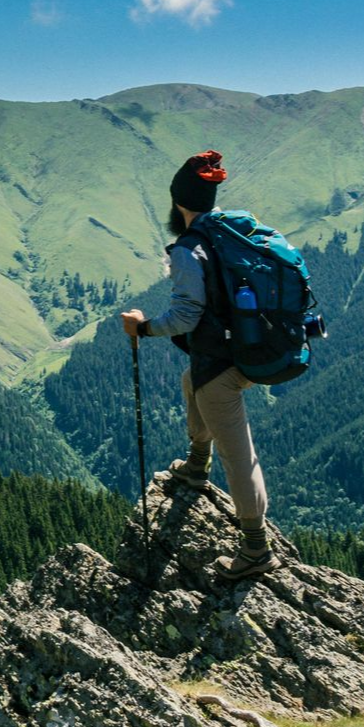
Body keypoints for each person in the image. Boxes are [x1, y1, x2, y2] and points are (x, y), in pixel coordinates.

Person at [121, 150, 280, 580]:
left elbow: (186, 317)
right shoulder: (231, 232)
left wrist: (143, 327)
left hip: (224, 364)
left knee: (239, 454)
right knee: (191, 379)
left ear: (178, 204)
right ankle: (195, 465)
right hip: (252, 347)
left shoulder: (191, 249)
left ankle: (255, 548)